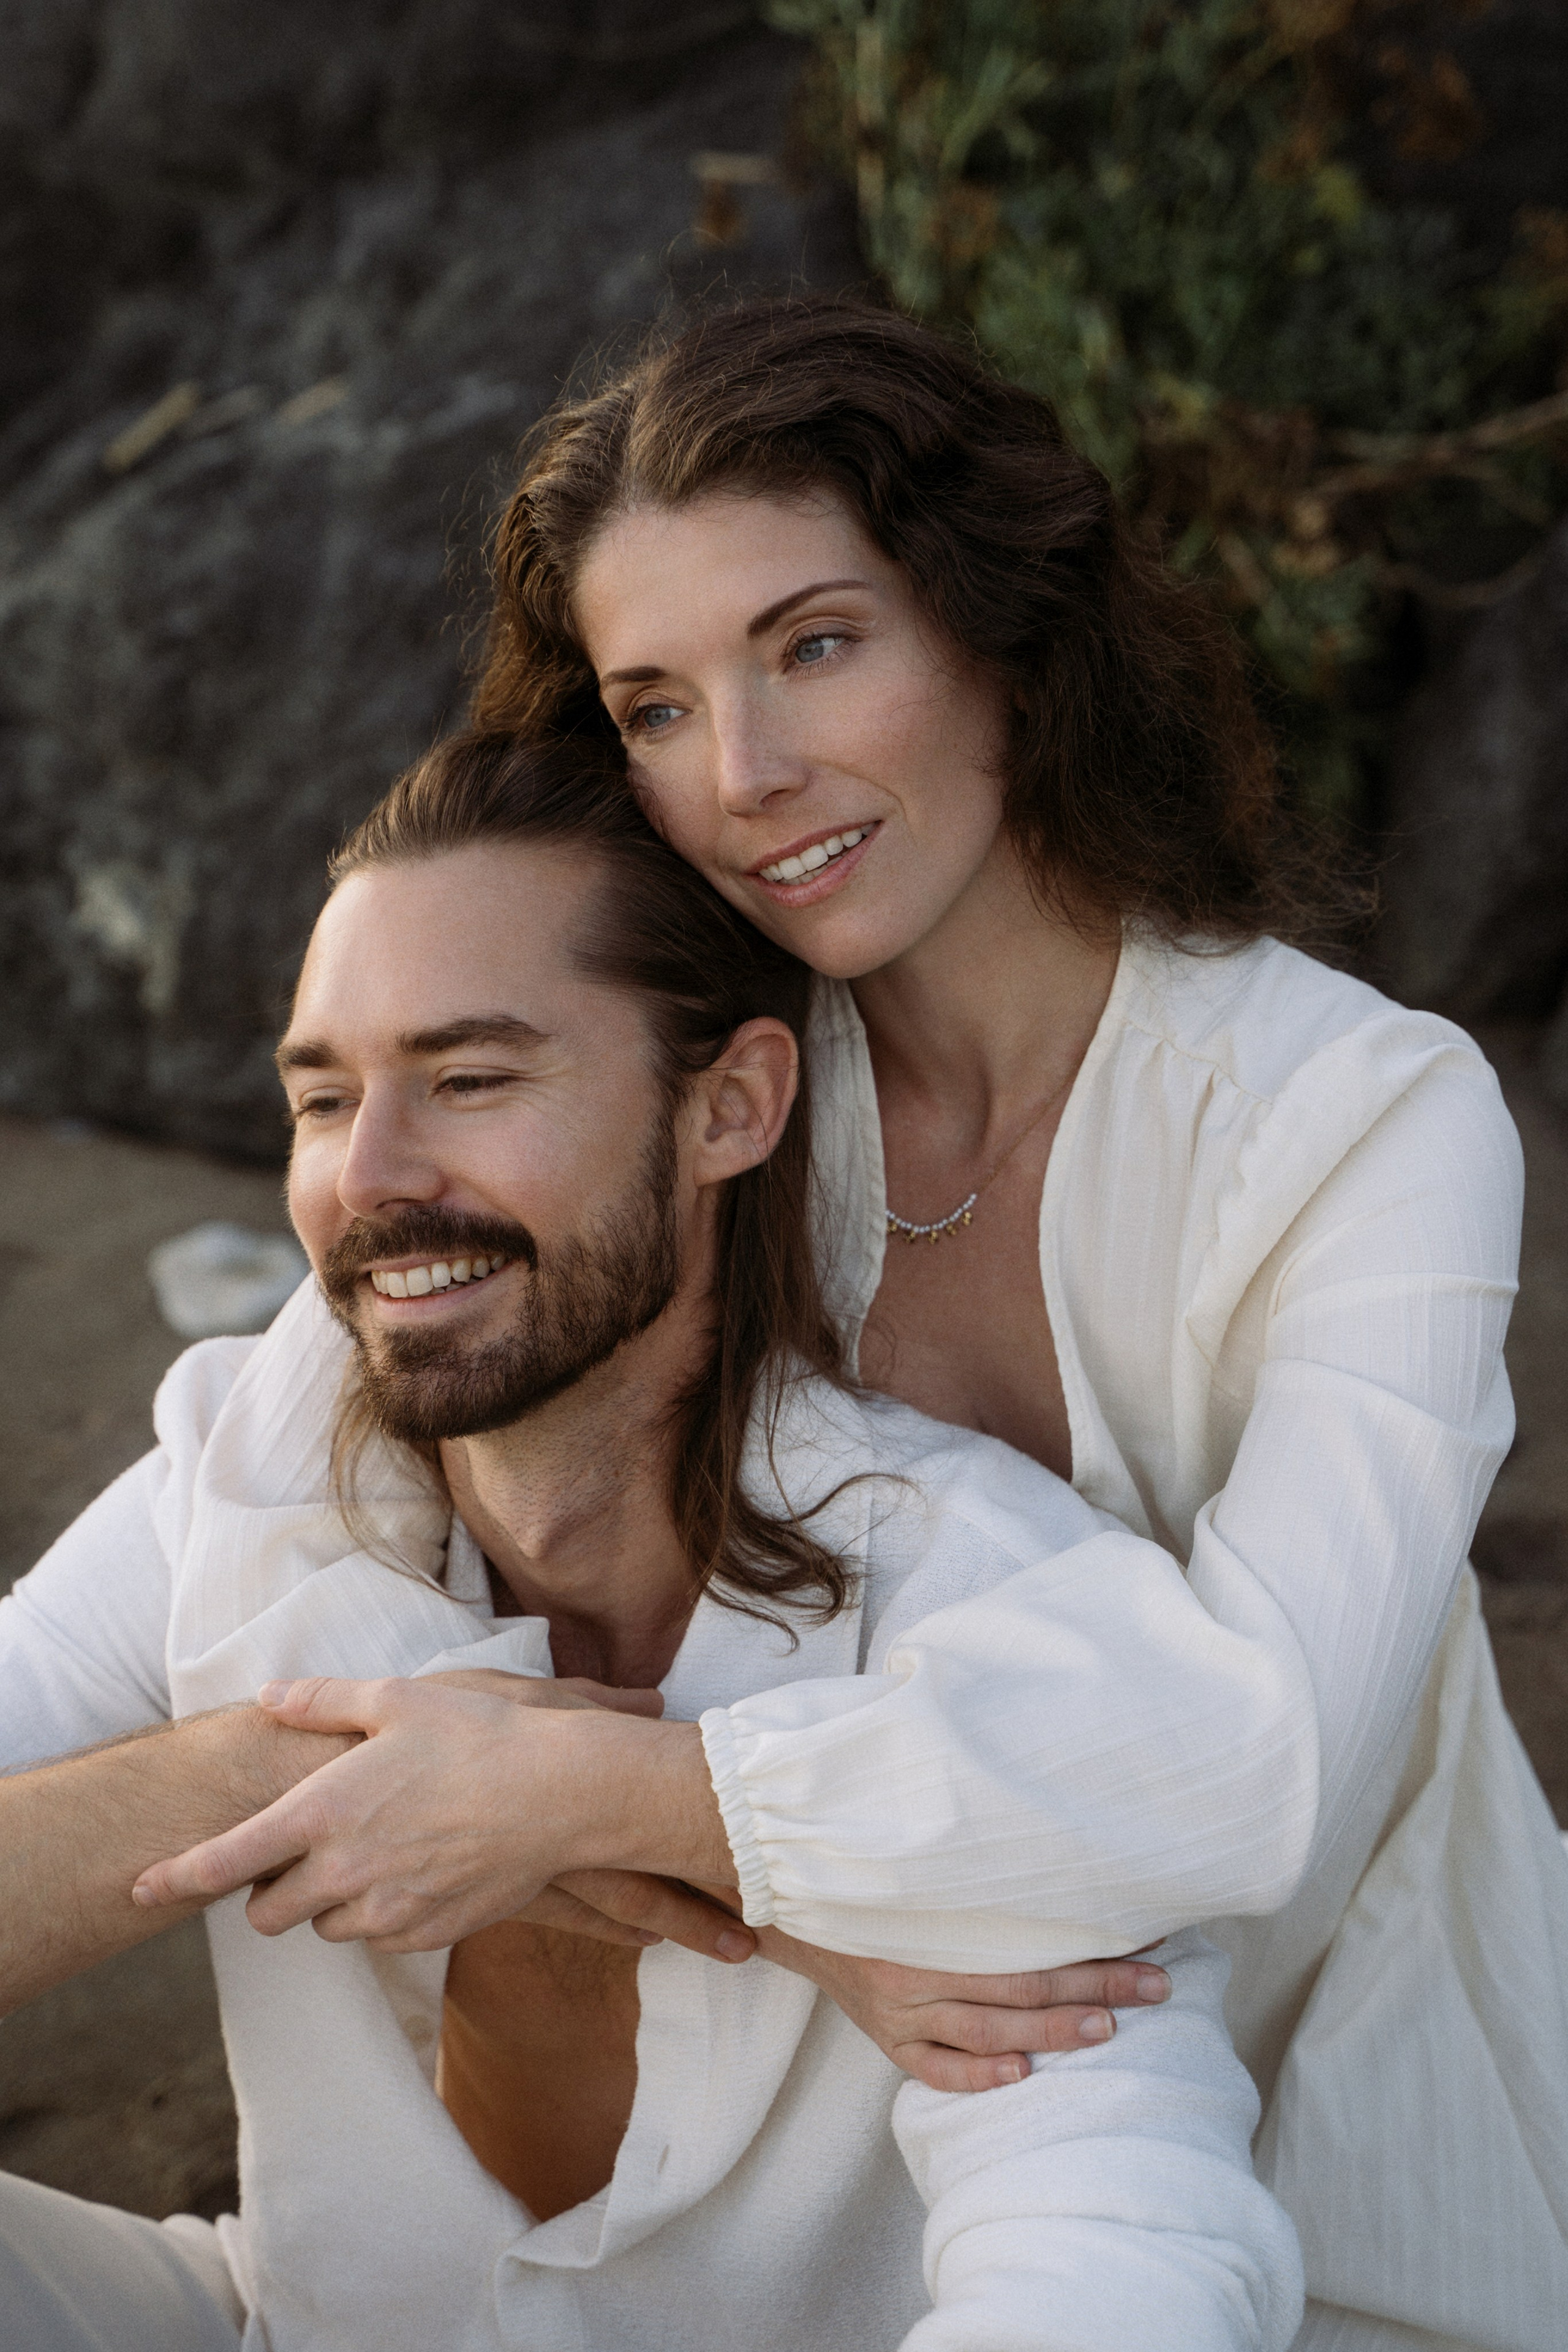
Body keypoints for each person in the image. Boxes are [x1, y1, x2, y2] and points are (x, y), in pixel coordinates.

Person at [142, 298, 1568, 2352]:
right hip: (872, 2148)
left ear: (1003, 625)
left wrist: (621, 1808)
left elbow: (1261, 1767)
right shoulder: (686, 1076)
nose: (743, 777)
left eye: (816, 645)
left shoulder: (1365, 1120)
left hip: (1319, 2091)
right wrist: (810, 1932)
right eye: (651, 703)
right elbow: (339, 1444)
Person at [0, 735, 1305, 2352]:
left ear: (731, 1106)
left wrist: (721, 1834)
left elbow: (1126, 2247)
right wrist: (278, 1781)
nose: (371, 1178)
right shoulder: (252, 1474)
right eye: (325, 1098)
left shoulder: (993, 1619)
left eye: (472, 1081)